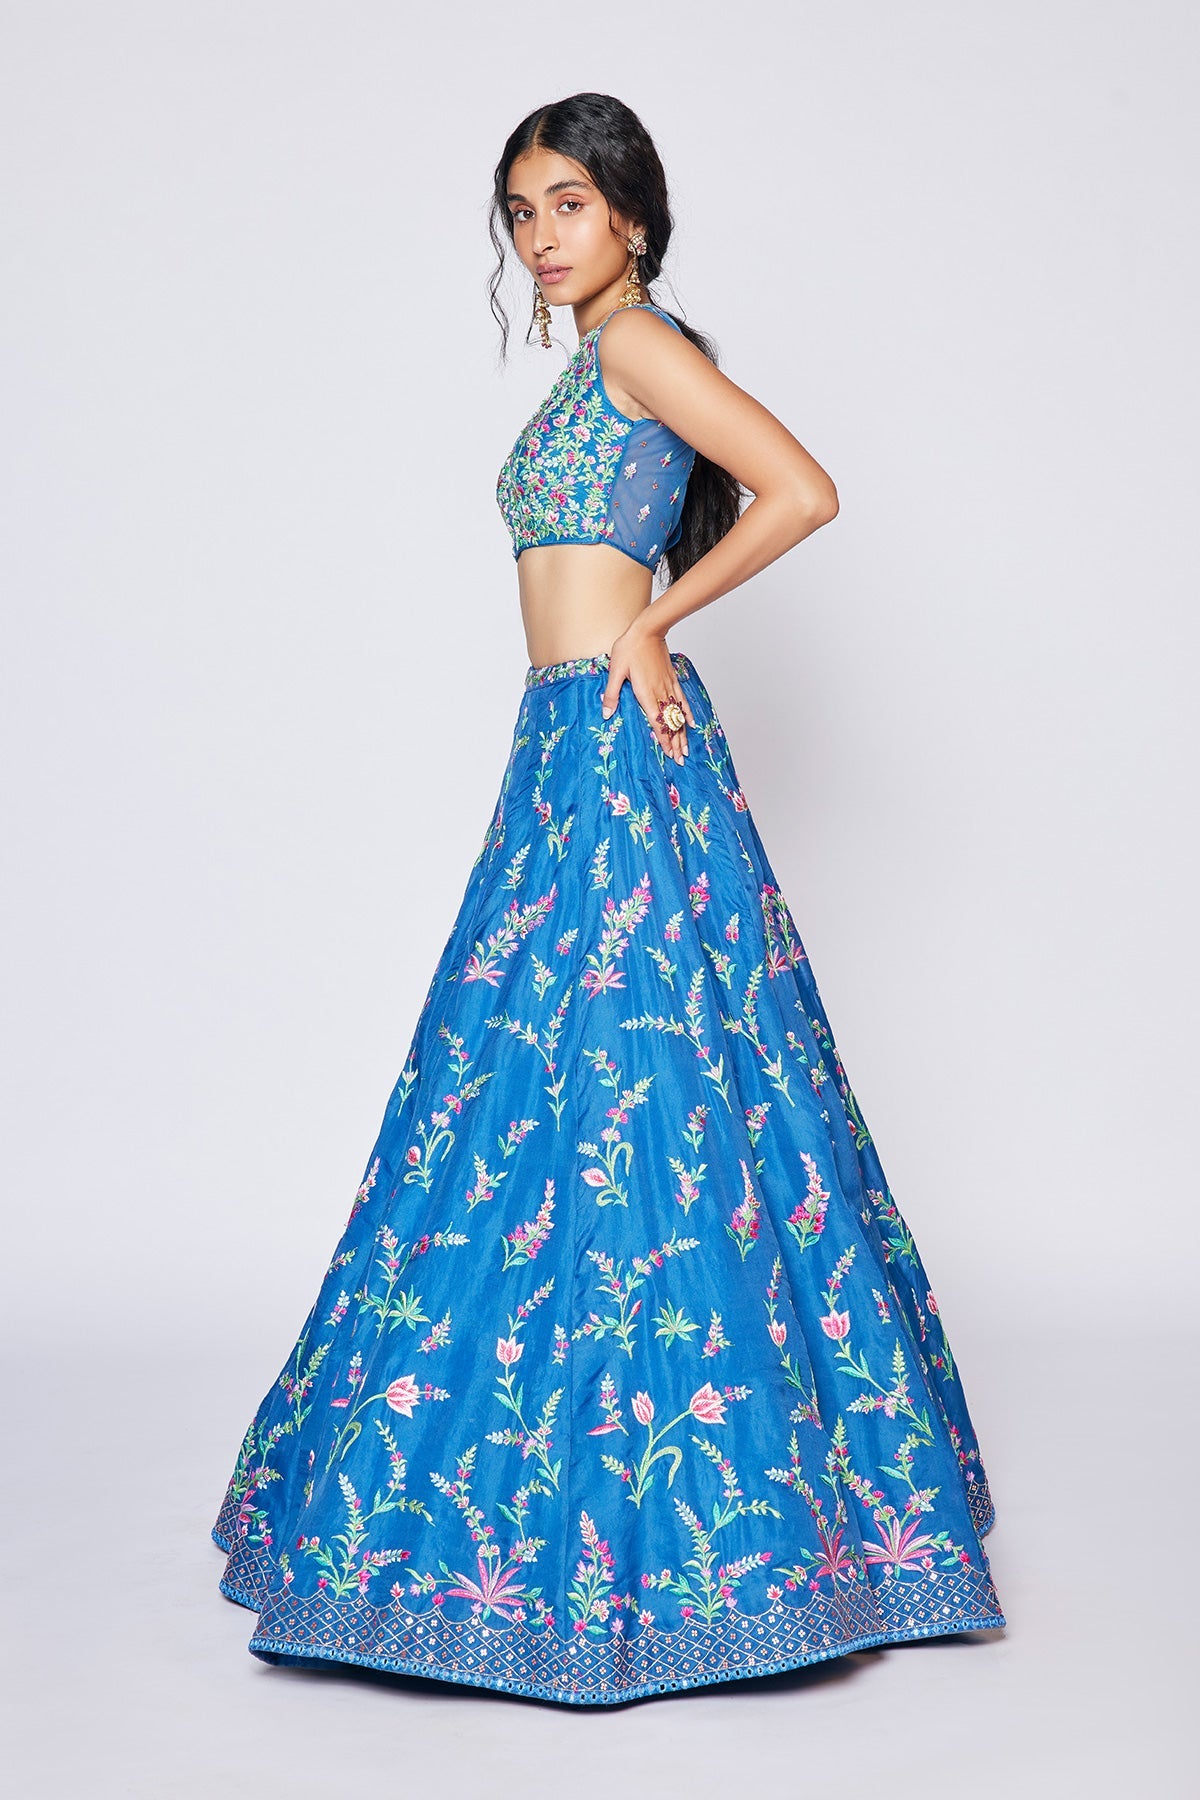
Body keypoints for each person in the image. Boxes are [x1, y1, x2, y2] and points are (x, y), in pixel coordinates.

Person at [212, 91, 1006, 1706]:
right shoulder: (595, 365)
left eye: (567, 203)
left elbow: (801, 489)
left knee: (642, 1083)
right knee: (550, 1081)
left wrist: (652, 626)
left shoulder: (640, 344)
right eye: (521, 211)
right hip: (566, 736)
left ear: (632, 214)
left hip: (615, 734)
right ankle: (587, 1473)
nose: (541, 237)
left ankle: (699, 1524)